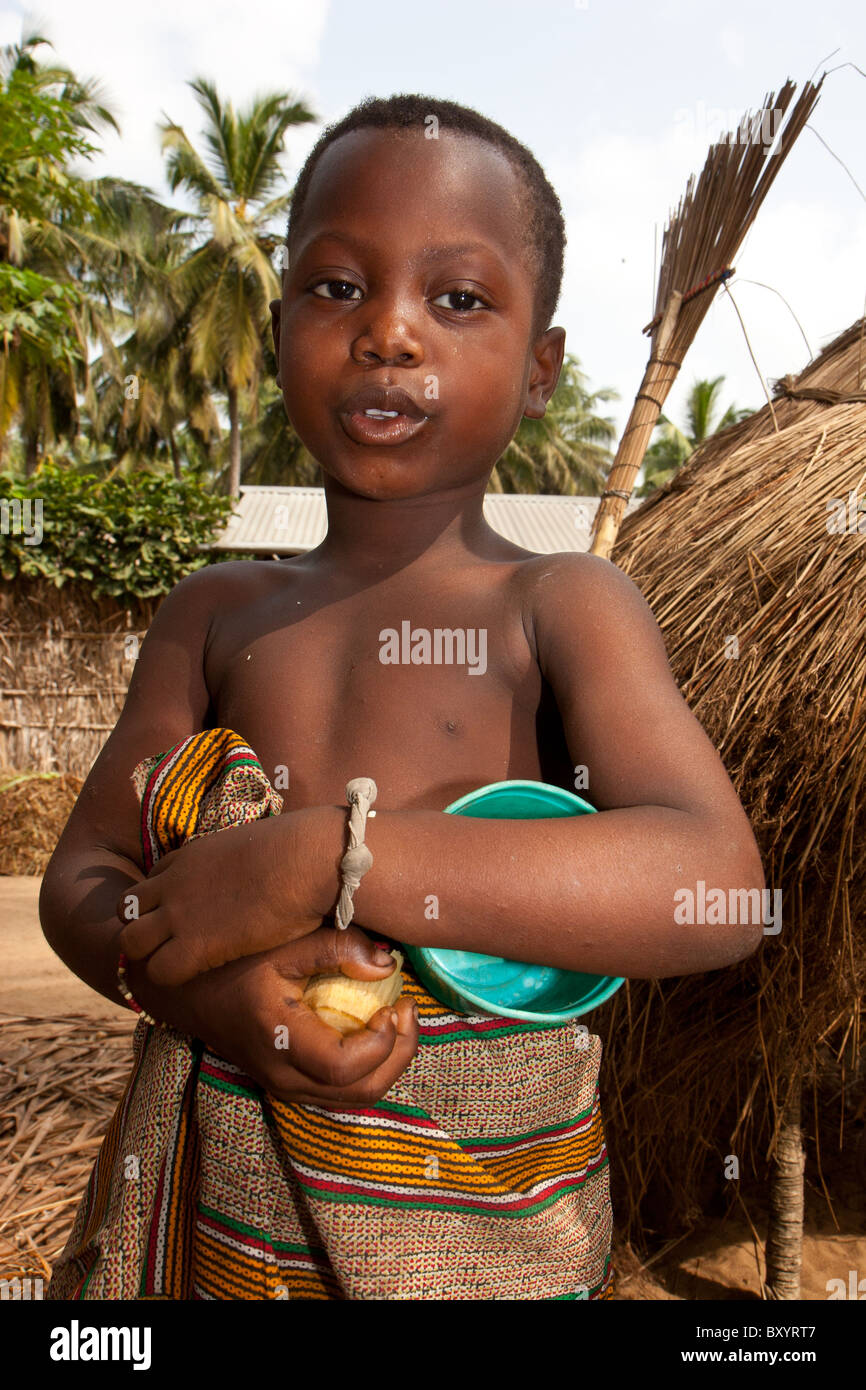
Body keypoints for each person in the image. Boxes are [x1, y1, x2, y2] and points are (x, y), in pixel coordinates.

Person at [40, 93, 765, 1301]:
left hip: (482, 1227)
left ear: (540, 370)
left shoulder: (561, 602)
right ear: (276, 334)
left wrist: (332, 858)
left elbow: (715, 886)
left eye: (457, 298)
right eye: (335, 288)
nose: (388, 333)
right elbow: (83, 883)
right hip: (230, 1241)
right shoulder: (213, 612)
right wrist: (218, 999)